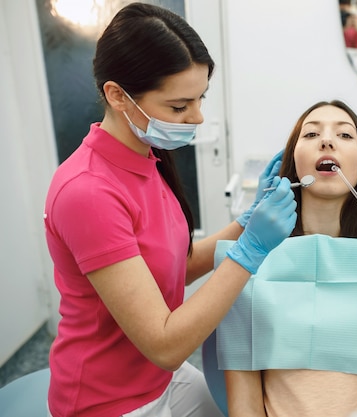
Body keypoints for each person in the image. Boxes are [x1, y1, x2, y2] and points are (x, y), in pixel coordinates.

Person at [43, 3, 296, 416]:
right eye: (180, 107)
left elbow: (173, 263)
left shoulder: (145, 156)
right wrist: (249, 252)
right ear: (117, 96)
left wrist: (244, 223)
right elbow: (165, 344)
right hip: (107, 401)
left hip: (163, 378)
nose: (197, 118)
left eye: (200, 99)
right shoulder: (87, 192)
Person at [213, 101, 357, 416]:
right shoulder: (252, 268)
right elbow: (244, 406)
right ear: (292, 160)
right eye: (312, 133)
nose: (327, 141)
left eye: (344, 135)